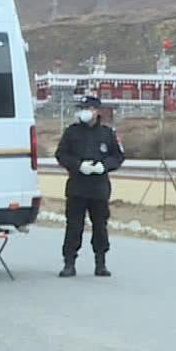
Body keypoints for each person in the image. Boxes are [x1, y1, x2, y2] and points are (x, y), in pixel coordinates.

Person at [56, 94, 124, 277]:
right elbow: (61, 155)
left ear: (97, 111)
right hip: (77, 187)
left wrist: (104, 166)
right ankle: (69, 263)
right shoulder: (72, 132)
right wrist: (78, 165)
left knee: (100, 226)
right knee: (74, 226)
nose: (85, 112)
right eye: (83, 109)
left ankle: (100, 263)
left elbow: (118, 157)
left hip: (98, 189)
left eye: (89, 109)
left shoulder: (107, 134)